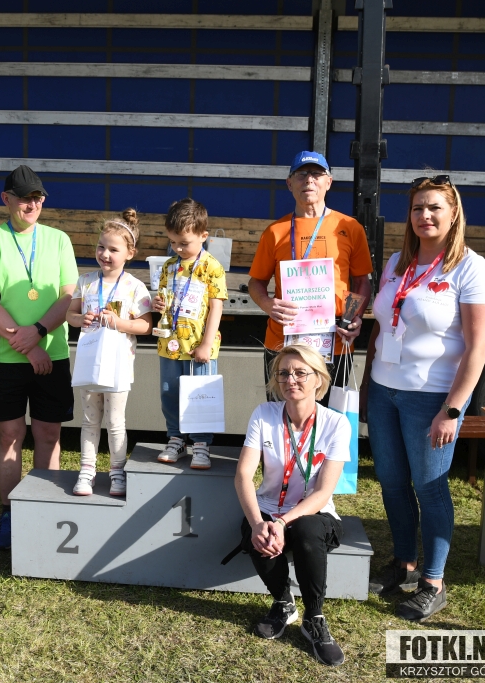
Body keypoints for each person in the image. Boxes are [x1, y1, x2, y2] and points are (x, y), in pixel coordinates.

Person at [362, 174, 485, 621]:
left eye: (435, 207)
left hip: (431, 397)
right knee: (392, 483)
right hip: (384, 391)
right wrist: (368, 383)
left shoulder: (470, 268)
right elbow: (382, 325)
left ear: (453, 213)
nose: (425, 215)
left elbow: (479, 348)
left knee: (430, 488)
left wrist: (452, 410)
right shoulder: (397, 261)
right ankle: (404, 563)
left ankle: (433, 583)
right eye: (418, 207)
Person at [0, 165, 79, 550]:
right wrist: (28, 344)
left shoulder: (59, 239)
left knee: (49, 434)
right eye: (23, 198)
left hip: (52, 352)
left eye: (37, 198)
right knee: (9, 435)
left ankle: (45, 508)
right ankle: (10, 513)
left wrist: (40, 332)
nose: (31, 205)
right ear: (6, 199)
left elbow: (69, 296)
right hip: (5, 357)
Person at [233, 344, 350, 666]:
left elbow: (323, 492)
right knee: (257, 534)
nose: (291, 379)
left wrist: (283, 523)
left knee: (308, 529)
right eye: (283, 373)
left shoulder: (336, 423)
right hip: (270, 506)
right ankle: (284, 603)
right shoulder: (264, 414)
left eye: (300, 373)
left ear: (318, 379)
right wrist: (259, 523)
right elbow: (243, 475)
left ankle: (314, 617)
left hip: (313, 511)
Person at [248, 151, 373, 398]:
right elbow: (256, 282)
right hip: (283, 342)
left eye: (317, 174)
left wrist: (352, 317)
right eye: (301, 174)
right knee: (282, 413)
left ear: (329, 182)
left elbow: (361, 281)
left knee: (328, 415)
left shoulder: (350, 227)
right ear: (289, 183)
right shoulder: (275, 231)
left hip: (334, 342)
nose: (309, 180)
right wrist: (267, 304)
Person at [66, 208, 153, 497]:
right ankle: (87, 471)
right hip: (90, 362)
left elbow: (145, 325)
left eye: (113, 250)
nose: (105, 254)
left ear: (130, 253)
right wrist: (81, 319)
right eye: (101, 247)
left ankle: (117, 471)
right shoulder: (86, 281)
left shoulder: (136, 287)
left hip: (118, 366)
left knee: (115, 422)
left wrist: (118, 322)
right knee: (89, 420)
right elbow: (70, 315)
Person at [152, 198, 227, 469]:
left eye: (184, 243)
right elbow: (165, 299)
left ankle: (201, 443)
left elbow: (217, 306)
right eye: (173, 242)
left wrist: (206, 344)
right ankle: (176, 438)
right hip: (170, 344)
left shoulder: (212, 266)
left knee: (199, 396)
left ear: (203, 236)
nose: (178, 248)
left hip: (199, 347)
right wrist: (158, 304)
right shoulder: (168, 266)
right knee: (169, 393)